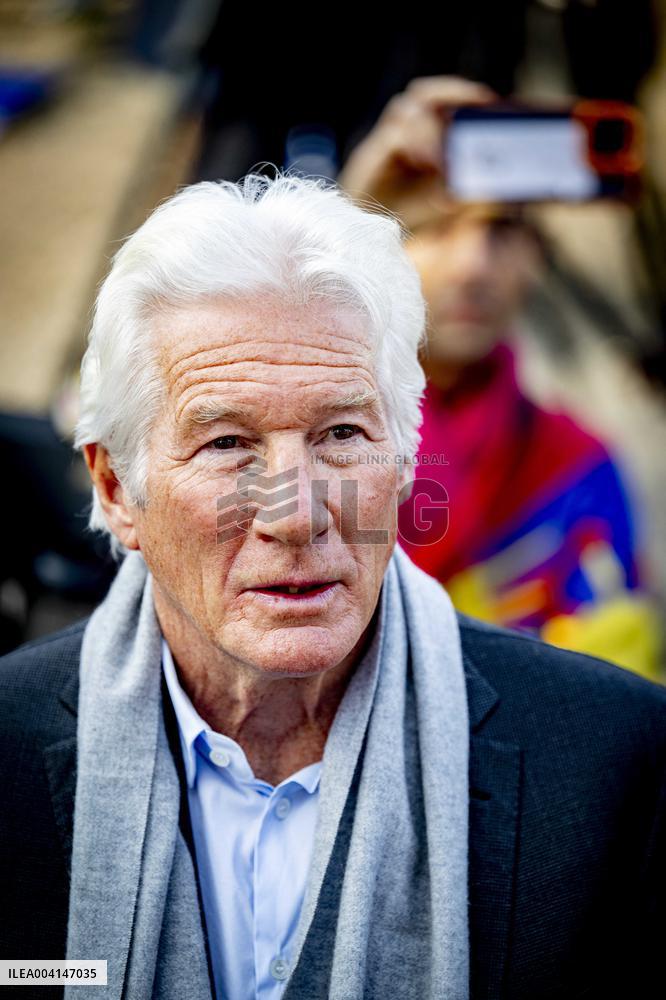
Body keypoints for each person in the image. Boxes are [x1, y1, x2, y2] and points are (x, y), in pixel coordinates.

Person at [0, 175, 664, 1000]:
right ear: (113, 489)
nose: (299, 513)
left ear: (404, 463)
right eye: (228, 444)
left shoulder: (614, 760)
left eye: (342, 433)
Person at [339, 76, 661, 678]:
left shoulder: (576, 471)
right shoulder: (296, 444)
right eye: (435, 228)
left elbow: (612, 711)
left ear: (538, 254)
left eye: (503, 230)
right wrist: (352, 210)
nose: (474, 266)